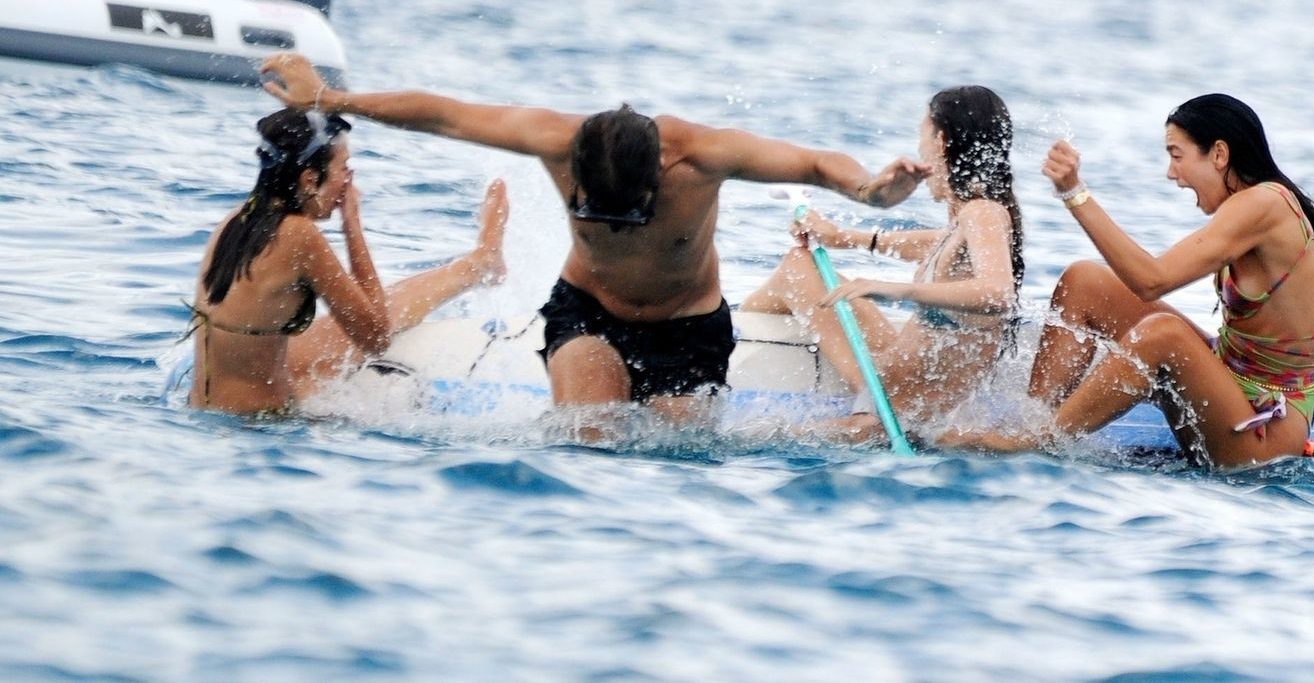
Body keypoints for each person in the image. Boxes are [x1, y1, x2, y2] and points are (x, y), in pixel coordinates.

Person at [261, 53, 929, 427]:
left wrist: (872, 190)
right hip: (587, 314)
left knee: (677, 450)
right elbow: (445, 115)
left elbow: (814, 163)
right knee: (588, 431)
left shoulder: (702, 157)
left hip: (688, 329)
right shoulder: (556, 140)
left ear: (660, 174)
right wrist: (327, 97)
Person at [950, 94, 1314, 469]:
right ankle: (1035, 417)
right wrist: (1306, 324)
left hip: (1264, 437)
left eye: (1177, 154)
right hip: (1229, 378)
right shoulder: (1280, 196)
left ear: (1219, 154)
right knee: (1085, 281)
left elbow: (1151, 281)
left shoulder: (1261, 204)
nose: (1172, 173)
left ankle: (1038, 441)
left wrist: (1074, 193)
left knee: (1163, 335)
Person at [740, 86, 1022, 441]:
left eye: (922, 137)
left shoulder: (983, 212)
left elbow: (998, 293)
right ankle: (745, 327)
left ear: (941, 142)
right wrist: (842, 237)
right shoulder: (976, 217)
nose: (920, 150)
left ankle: (736, 342)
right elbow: (938, 245)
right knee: (798, 266)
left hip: (886, 408)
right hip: (905, 391)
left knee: (797, 267)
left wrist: (891, 290)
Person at [188, 107, 509, 414]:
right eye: (344, 168)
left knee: (343, 328)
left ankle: (479, 263)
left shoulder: (237, 219)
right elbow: (376, 338)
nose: (349, 181)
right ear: (309, 179)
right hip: (262, 420)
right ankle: (481, 263)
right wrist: (352, 223)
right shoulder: (299, 235)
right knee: (379, 316)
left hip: (207, 404)